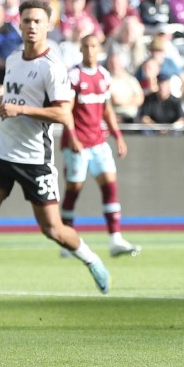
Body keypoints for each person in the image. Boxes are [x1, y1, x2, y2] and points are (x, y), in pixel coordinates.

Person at [0, 0, 111, 306]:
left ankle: (91, 258)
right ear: (20, 24)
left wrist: (22, 110)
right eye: (26, 21)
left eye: (38, 21)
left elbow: (64, 114)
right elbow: (8, 103)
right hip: (1, 150)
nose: (32, 26)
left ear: (48, 26)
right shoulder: (13, 59)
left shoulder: (53, 68)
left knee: (52, 229)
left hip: (34, 157)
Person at [60, 34, 141, 258]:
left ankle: (115, 239)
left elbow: (107, 110)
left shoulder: (104, 75)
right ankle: (67, 239)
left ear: (99, 49)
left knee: (110, 187)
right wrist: (72, 136)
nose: (89, 50)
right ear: (81, 49)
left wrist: (118, 136)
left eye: (93, 46)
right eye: (85, 46)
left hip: (98, 141)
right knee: (73, 191)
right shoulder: (74, 76)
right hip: (77, 144)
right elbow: (66, 110)